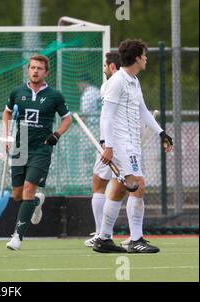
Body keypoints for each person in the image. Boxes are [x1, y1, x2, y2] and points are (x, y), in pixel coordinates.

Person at [93, 39, 173, 253]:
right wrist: (108, 146)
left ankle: (103, 239)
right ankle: (136, 238)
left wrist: (161, 133)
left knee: (119, 190)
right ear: (137, 58)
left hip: (131, 144)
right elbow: (106, 117)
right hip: (119, 145)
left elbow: (143, 111)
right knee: (138, 184)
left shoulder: (133, 80)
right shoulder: (117, 81)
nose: (146, 58)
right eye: (144, 55)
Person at [2, 54, 72, 250]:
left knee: (28, 189)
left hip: (41, 149)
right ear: (28, 70)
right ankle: (35, 202)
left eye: (39, 68)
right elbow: (6, 112)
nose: (35, 71)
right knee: (17, 195)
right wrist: (7, 135)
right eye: (32, 67)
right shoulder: (17, 92)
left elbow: (67, 118)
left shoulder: (55, 95)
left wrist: (56, 134)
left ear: (46, 72)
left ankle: (17, 236)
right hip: (20, 147)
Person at [84, 52, 122, 247]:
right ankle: (110, 233)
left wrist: (106, 143)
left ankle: (102, 233)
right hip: (122, 142)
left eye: (106, 66)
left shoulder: (110, 85)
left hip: (111, 144)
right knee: (130, 186)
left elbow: (108, 117)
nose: (104, 70)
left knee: (99, 183)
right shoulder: (131, 82)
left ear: (112, 67)